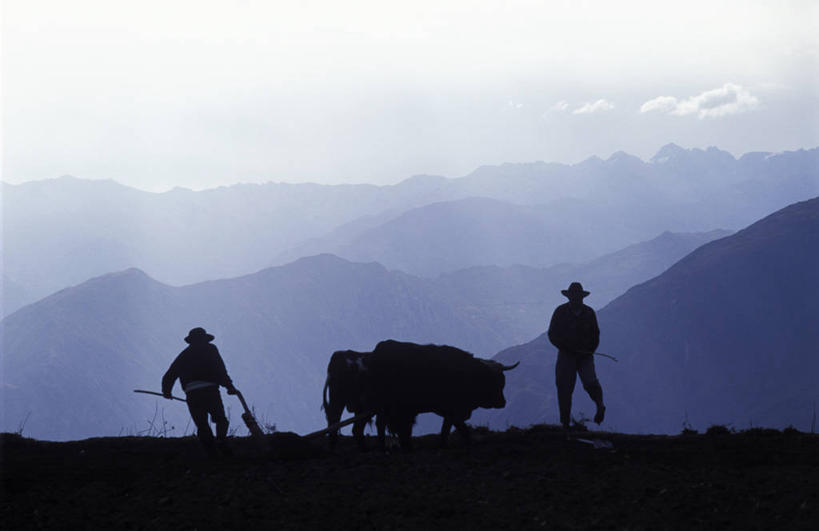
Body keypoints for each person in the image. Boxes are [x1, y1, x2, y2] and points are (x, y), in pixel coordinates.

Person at [162, 327, 238, 456]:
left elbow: (170, 374)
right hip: (210, 390)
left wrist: (167, 391)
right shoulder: (211, 349)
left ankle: (211, 452)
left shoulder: (184, 354)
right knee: (220, 419)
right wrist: (229, 386)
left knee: (202, 424)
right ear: (205, 339)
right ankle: (221, 441)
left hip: (192, 394)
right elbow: (220, 369)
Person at [547, 282, 605, 430]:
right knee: (576, 385)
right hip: (573, 355)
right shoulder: (587, 312)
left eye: (576, 296)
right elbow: (552, 334)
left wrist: (587, 350)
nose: (575, 299)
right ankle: (568, 421)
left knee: (570, 386)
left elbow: (552, 334)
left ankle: (567, 422)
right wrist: (582, 349)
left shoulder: (562, 311)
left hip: (576, 355)